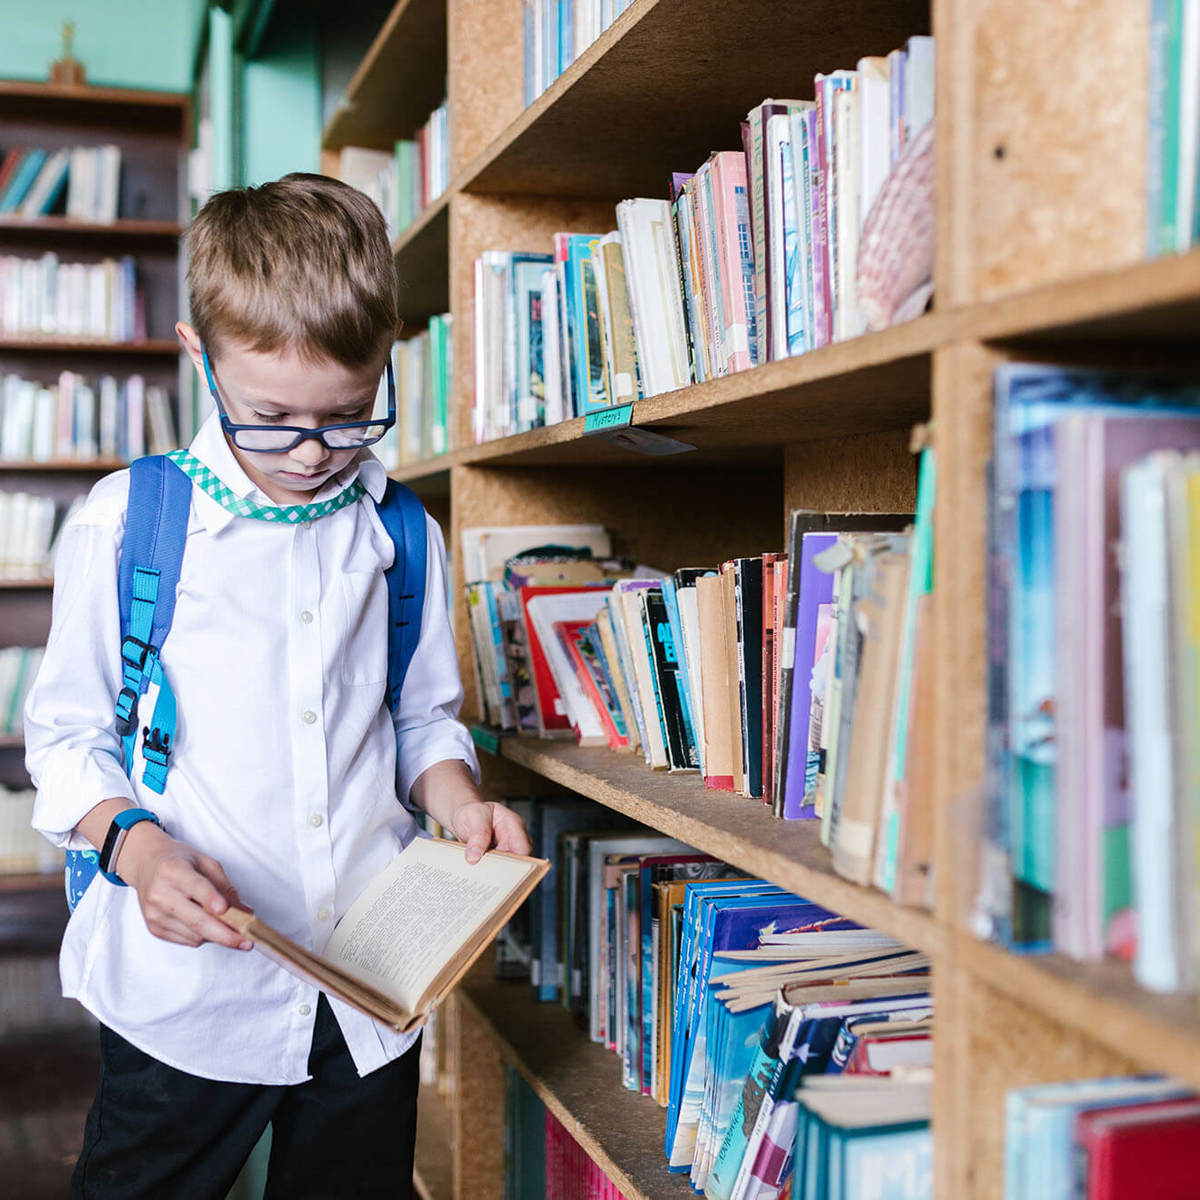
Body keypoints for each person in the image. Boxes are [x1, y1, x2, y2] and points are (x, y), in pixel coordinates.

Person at [24, 173, 530, 1199]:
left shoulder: (400, 533)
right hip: (190, 995)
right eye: (273, 418)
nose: (310, 453)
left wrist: (460, 799)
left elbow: (421, 716)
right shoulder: (129, 520)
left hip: (366, 994)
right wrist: (139, 845)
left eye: (348, 419)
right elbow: (67, 739)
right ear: (198, 356)